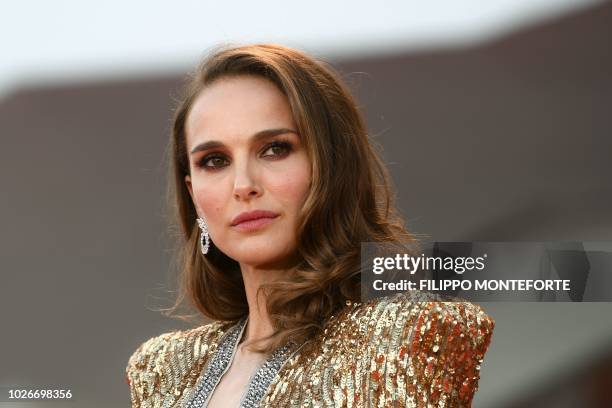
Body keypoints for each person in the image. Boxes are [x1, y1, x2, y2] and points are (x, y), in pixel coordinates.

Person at [125, 43, 495, 407]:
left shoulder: (403, 337)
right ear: (192, 194)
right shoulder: (162, 370)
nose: (243, 186)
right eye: (215, 160)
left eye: (275, 149)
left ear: (330, 166)